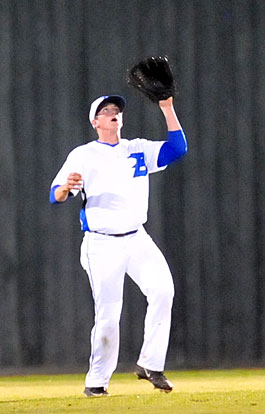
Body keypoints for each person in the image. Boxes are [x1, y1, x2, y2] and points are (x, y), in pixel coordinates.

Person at [49, 94, 188, 397]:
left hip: (136, 237)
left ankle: (151, 364)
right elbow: (55, 196)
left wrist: (167, 107)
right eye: (105, 111)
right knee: (109, 315)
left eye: (116, 110)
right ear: (94, 121)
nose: (113, 114)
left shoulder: (136, 148)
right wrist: (64, 190)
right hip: (102, 243)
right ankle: (96, 383)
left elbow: (178, 148)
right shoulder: (83, 155)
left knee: (164, 290)